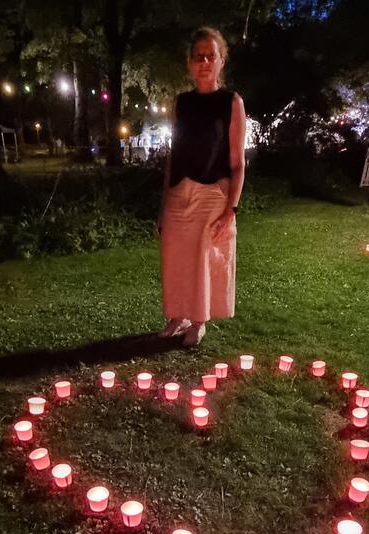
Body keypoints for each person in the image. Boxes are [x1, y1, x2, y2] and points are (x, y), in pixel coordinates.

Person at [157, 26, 246, 347]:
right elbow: (174, 155)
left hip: (212, 192)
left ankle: (198, 321)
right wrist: (164, 205)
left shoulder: (231, 102)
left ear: (221, 61)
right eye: (198, 56)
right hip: (179, 193)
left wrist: (231, 209)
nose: (204, 61)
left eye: (211, 56)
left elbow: (238, 162)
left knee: (200, 260)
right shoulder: (181, 103)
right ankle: (177, 316)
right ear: (190, 63)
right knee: (175, 258)